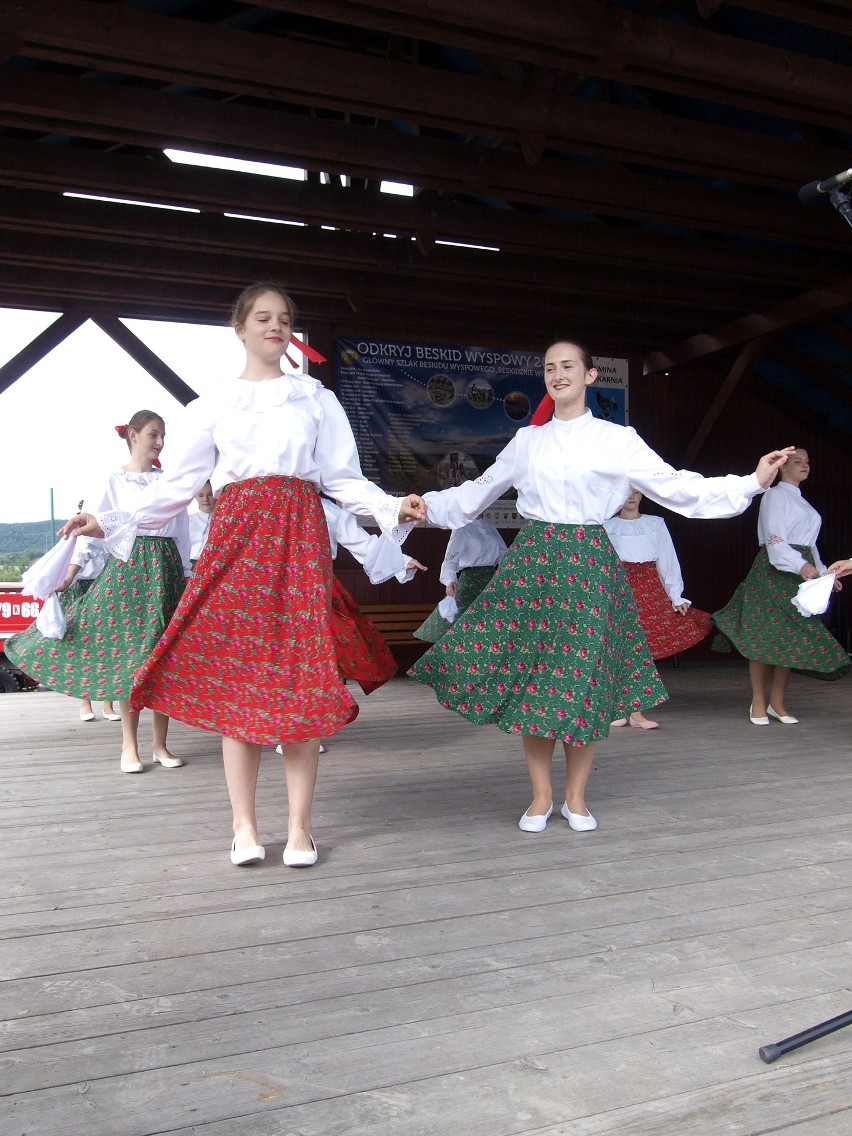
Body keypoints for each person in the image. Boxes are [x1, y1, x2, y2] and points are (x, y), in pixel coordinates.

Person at [61, 283, 426, 869]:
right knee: (241, 683)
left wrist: (390, 507)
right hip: (236, 543)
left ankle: (301, 829)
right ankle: (244, 827)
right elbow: (177, 489)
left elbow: (341, 477)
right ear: (240, 329)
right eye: (263, 317)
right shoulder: (211, 407)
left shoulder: (316, 399)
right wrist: (106, 521)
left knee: (303, 678)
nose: (275, 326)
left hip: (300, 540)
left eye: (284, 319)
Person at [408, 339, 795, 835]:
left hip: (590, 564)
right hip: (535, 564)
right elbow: (476, 493)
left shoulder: (618, 439)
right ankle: (540, 797)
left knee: (581, 679)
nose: (558, 374)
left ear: (591, 377)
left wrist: (750, 482)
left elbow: (678, 486)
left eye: (569, 366)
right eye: (550, 367)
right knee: (537, 679)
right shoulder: (528, 442)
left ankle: (576, 798)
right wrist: (423, 507)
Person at [8, 411, 191, 771]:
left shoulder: (169, 482)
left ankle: (160, 745)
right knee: (131, 657)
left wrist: (184, 573)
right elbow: (90, 535)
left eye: (164, 436)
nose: (160, 443)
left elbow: (182, 532)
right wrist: (70, 574)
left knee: (161, 658)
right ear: (134, 435)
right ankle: (129, 746)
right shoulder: (112, 480)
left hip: (166, 568)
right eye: (154, 434)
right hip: (128, 570)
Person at [712, 447, 849, 724]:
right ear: (783, 466)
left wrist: (825, 575)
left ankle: (778, 703)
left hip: (801, 573)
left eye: (807, 462)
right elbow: (775, 540)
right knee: (764, 638)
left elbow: (811, 547)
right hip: (774, 574)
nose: (805, 465)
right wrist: (800, 565)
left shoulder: (805, 504)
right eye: (798, 461)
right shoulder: (774, 495)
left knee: (790, 639)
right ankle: (759, 704)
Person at [604, 488, 712, 729]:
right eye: (625, 492)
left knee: (641, 648)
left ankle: (636, 710)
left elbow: (667, 560)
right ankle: (620, 707)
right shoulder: (606, 526)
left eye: (635, 492)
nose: (630, 496)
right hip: (619, 587)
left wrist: (676, 595)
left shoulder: (655, 524)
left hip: (648, 587)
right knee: (618, 646)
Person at [55, 535, 121, 722]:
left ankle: (108, 704)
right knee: (84, 646)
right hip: (80, 587)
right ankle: (85, 701)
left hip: (107, 586)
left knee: (109, 645)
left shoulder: (111, 531)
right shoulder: (74, 537)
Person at [414, 516, 507, 642]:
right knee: (464, 628)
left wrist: (506, 575)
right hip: (471, 581)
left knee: (493, 625)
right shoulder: (462, 527)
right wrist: (450, 581)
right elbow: (450, 560)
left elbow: (504, 555)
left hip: (491, 581)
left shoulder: (490, 527)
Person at [189, 480, 215, 566]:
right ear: (195, 496)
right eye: (201, 495)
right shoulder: (187, 520)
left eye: (210, 495)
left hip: (210, 566)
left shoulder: (222, 522)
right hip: (187, 567)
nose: (205, 499)